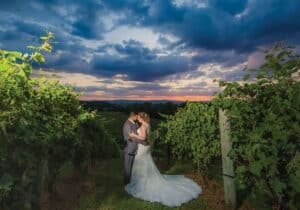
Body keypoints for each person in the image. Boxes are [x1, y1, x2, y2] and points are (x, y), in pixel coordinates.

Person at [124, 112, 202, 207]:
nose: (138, 118)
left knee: (141, 162)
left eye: (139, 117)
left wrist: (133, 135)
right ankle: (145, 178)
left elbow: (143, 138)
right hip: (146, 148)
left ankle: (142, 182)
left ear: (142, 118)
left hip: (142, 148)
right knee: (145, 163)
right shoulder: (148, 125)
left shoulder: (144, 126)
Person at [122, 112, 149, 185]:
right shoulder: (127, 124)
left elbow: (141, 135)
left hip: (136, 148)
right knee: (128, 167)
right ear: (132, 116)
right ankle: (126, 184)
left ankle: (131, 182)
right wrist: (143, 141)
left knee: (133, 167)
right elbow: (129, 138)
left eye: (138, 117)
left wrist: (142, 140)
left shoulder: (136, 124)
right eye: (136, 117)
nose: (137, 118)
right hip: (130, 149)